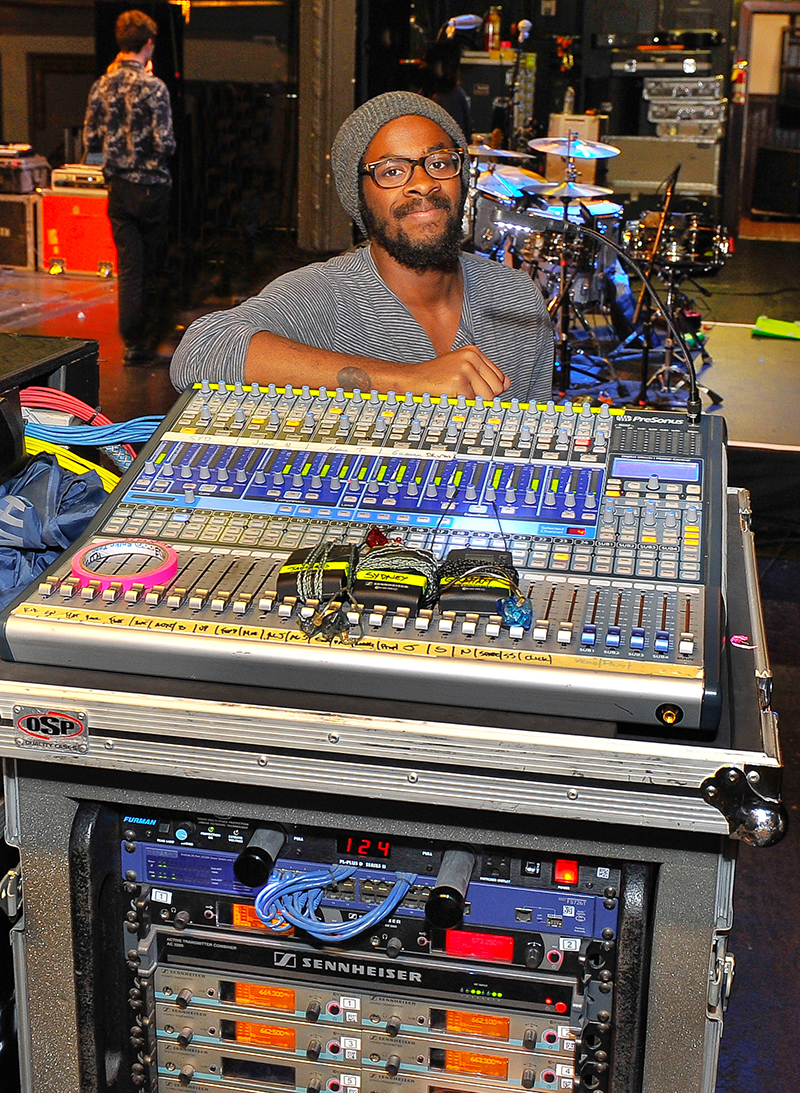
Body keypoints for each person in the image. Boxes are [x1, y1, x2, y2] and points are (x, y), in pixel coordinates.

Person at [170, 91, 553, 402]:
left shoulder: (517, 298)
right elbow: (200, 353)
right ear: (360, 200)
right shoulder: (329, 295)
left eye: (438, 163)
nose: (422, 183)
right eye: (391, 171)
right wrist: (410, 381)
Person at [83, 10, 175, 366]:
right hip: (151, 186)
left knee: (129, 266)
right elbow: (165, 142)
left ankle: (132, 343)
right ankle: (150, 340)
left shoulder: (101, 86)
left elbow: (91, 139)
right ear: (149, 44)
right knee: (152, 265)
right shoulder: (154, 88)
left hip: (119, 186)